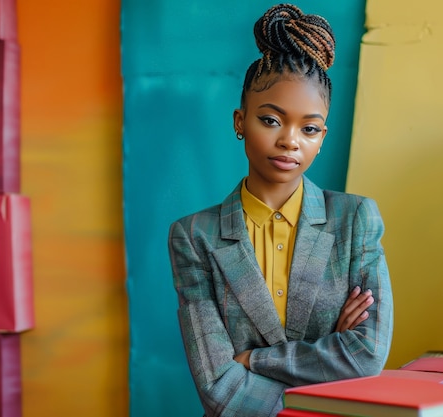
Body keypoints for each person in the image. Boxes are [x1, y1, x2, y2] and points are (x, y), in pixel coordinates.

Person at [168, 4, 393, 416]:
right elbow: (217, 384)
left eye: (308, 128)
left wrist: (253, 359)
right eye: (271, 120)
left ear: (322, 137)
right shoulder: (194, 236)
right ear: (240, 121)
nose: (291, 141)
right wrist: (323, 360)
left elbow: (365, 355)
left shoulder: (355, 220)